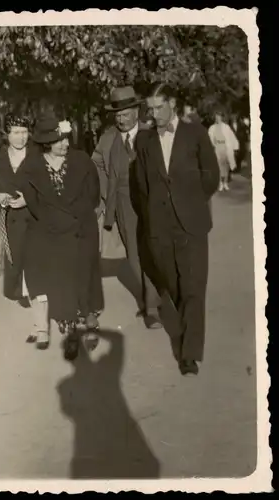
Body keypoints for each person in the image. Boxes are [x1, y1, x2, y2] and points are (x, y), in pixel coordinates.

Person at [135, 83, 220, 376]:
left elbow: (211, 176)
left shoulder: (195, 134)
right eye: (150, 108)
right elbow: (142, 187)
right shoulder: (143, 141)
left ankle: (189, 353)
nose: (154, 113)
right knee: (175, 287)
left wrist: (191, 202)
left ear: (172, 103)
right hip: (161, 227)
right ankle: (185, 331)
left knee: (194, 288)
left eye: (159, 107)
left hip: (192, 225)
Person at [19, 111, 104, 361]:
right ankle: (71, 333)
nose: (65, 144)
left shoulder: (82, 162)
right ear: (46, 143)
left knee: (83, 279)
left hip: (81, 230)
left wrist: (75, 217)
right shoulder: (31, 168)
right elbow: (33, 203)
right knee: (63, 285)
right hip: (52, 232)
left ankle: (86, 318)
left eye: (67, 139)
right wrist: (53, 222)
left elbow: (93, 196)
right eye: (59, 141)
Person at [92, 86, 162, 329]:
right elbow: (97, 164)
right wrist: (105, 192)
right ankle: (150, 303)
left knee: (154, 249)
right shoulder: (108, 139)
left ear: (136, 111)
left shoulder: (151, 134)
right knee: (134, 254)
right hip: (122, 201)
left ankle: (156, 301)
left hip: (152, 201)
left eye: (125, 113)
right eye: (117, 115)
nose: (121, 119)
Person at [0, 112, 54, 350]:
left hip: (36, 220)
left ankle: (42, 328)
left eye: (24, 132)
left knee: (37, 272)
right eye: (15, 132)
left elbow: (48, 186)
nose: (21, 137)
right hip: (13, 224)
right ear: (7, 134)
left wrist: (28, 199)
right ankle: (38, 324)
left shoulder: (37, 156)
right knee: (22, 276)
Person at [208, 111, 239, 191]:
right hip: (217, 147)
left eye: (219, 116)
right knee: (218, 166)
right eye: (216, 117)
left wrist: (235, 147)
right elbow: (209, 139)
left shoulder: (226, 127)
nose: (217, 118)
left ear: (221, 117)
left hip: (225, 147)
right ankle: (220, 183)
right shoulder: (212, 128)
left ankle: (225, 182)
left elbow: (231, 137)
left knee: (226, 166)